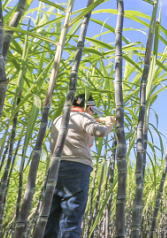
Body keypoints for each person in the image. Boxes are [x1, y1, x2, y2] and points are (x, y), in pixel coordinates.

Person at [45, 94, 115, 238]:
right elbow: (100, 132)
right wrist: (109, 124)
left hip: (55, 168)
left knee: (51, 215)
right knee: (72, 216)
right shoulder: (84, 117)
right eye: (92, 111)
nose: (93, 114)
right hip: (77, 168)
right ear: (88, 108)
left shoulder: (58, 119)